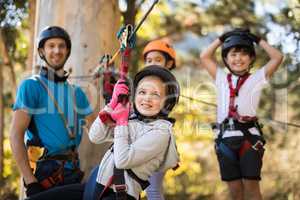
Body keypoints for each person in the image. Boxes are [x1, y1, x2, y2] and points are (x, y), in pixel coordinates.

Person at [20, 65, 180, 200]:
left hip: (118, 194)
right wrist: (112, 104)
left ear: (167, 103)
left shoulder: (161, 133)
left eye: (155, 94)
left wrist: (122, 122)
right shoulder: (132, 119)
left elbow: (123, 160)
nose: (147, 98)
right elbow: (95, 136)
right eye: (142, 92)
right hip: (96, 184)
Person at [9, 26, 93, 198]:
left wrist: (113, 96)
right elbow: (16, 135)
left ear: (67, 50)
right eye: (51, 46)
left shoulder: (77, 92)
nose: (57, 50)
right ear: (42, 51)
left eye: (62, 46)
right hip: (44, 174)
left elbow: (98, 129)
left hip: (73, 172)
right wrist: (30, 181)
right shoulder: (32, 86)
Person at [199, 29, 283, 200]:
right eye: (234, 54)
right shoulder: (221, 78)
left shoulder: (257, 78)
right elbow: (204, 56)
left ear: (251, 58)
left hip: (249, 139)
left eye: (244, 54)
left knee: (252, 187)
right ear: (226, 59)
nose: (238, 58)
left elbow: (277, 57)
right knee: (235, 190)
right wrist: (221, 38)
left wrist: (258, 39)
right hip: (225, 140)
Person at [142, 39, 177, 200]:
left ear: (168, 63)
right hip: (143, 138)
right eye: (149, 61)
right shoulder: (146, 83)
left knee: (153, 189)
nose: (152, 64)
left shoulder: (168, 85)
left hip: (158, 140)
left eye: (158, 60)